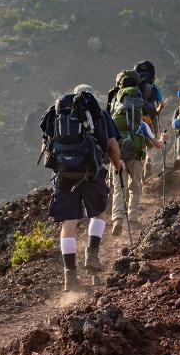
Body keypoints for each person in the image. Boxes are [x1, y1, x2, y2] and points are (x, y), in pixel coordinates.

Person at [40, 84, 123, 291]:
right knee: (99, 214)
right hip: (91, 172)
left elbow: (45, 147)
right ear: (90, 97)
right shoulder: (99, 114)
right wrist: (117, 166)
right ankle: (92, 255)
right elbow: (113, 147)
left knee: (68, 223)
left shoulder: (56, 114)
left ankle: (70, 276)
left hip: (63, 174)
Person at [109, 70, 168, 236]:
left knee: (118, 189)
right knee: (135, 188)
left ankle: (118, 219)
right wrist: (164, 138)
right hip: (136, 157)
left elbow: (108, 140)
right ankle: (133, 218)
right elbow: (157, 145)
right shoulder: (142, 124)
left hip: (118, 158)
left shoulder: (114, 121)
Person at [134, 60, 164, 180]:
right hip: (151, 118)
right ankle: (148, 161)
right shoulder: (154, 88)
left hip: (137, 117)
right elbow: (162, 104)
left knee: (139, 144)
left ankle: (139, 168)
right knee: (151, 143)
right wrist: (156, 112)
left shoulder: (134, 88)